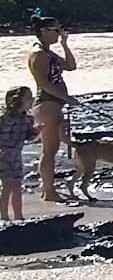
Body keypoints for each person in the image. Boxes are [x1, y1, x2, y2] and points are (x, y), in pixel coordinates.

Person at [26, 15, 76, 203]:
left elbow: (71, 66)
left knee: (51, 149)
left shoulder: (48, 52)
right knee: (50, 149)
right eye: (55, 30)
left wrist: (64, 44)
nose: (59, 33)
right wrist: (68, 99)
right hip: (47, 103)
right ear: (43, 32)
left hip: (55, 102)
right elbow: (43, 84)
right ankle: (48, 191)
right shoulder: (38, 54)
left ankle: (47, 186)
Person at [0, 87, 37, 221]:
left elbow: (28, 136)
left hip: (16, 155)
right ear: (16, 101)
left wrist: (36, 132)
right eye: (28, 98)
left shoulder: (28, 119)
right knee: (7, 185)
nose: (31, 100)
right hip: (3, 155)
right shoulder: (3, 118)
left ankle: (19, 216)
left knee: (17, 186)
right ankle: (4, 216)